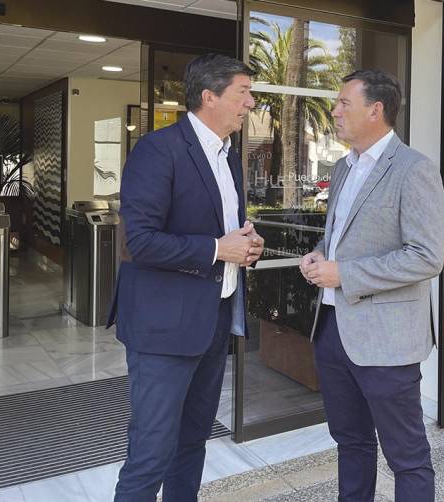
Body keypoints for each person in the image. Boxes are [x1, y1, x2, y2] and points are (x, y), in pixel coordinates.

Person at [107, 53, 264, 502]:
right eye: (243, 92)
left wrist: (247, 243)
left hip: (212, 321)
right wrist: (219, 248)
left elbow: (222, 227)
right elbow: (139, 242)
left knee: (192, 442)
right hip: (163, 330)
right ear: (209, 97)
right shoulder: (158, 150)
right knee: (151, 453)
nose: (250, 103)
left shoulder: (229, 156)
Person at [299, 69, 444, 502]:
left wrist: (344, 274)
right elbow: (341, 236)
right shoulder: (343, 168)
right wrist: (321, 253)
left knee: (408, 457)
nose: (335, 111)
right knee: (351, 442)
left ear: (375, 110)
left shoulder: (414, 170)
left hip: (387, 340)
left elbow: (426, 256)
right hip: (332, 330)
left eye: (345, 103)